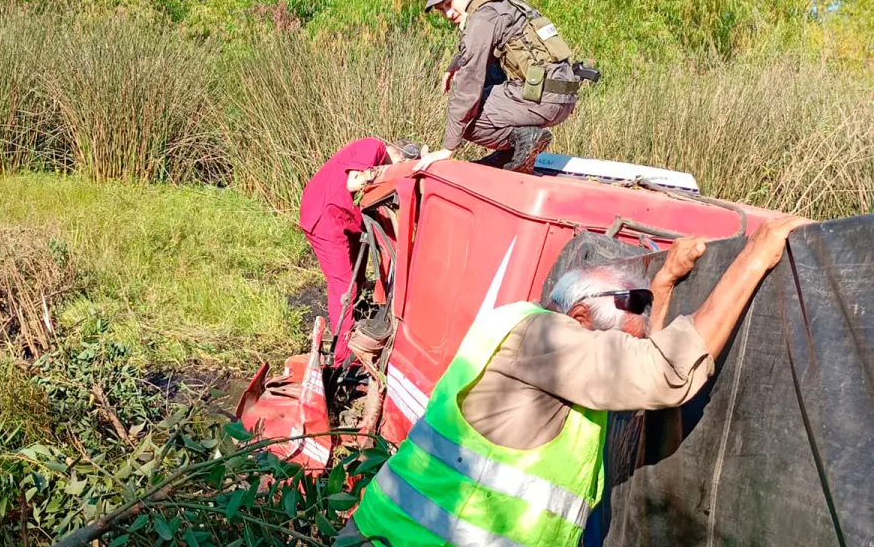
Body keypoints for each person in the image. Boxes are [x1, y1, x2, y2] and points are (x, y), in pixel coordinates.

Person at [340, 215, 808, 546]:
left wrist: (661, 286)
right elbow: (664, 371)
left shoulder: (546, 355)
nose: (640, 326)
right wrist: (754, 258)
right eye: (634, 308)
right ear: (581, 314)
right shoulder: (543, 337)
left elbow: (645, 372)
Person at [414, 0, 584, 175]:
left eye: (449, 3)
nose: (448, 13)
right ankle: (515, 150)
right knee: (488, 74)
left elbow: (468, 84)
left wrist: (448, 148)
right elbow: (483, 52)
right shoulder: (501, 3)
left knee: (465, 114)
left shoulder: (482, 18)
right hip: (562, 96)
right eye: (442, 9)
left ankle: (521, 140)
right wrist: (456, 63)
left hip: (543, 98)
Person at [299, 137, 420, 368]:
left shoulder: (373, 156)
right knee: (345, 287)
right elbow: (354, 182)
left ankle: (354, 330)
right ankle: (343, 358)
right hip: (326, 219)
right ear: (401, 156)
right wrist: (390, 172)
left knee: (358, 279)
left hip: (343, 219)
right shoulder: (373, 146)